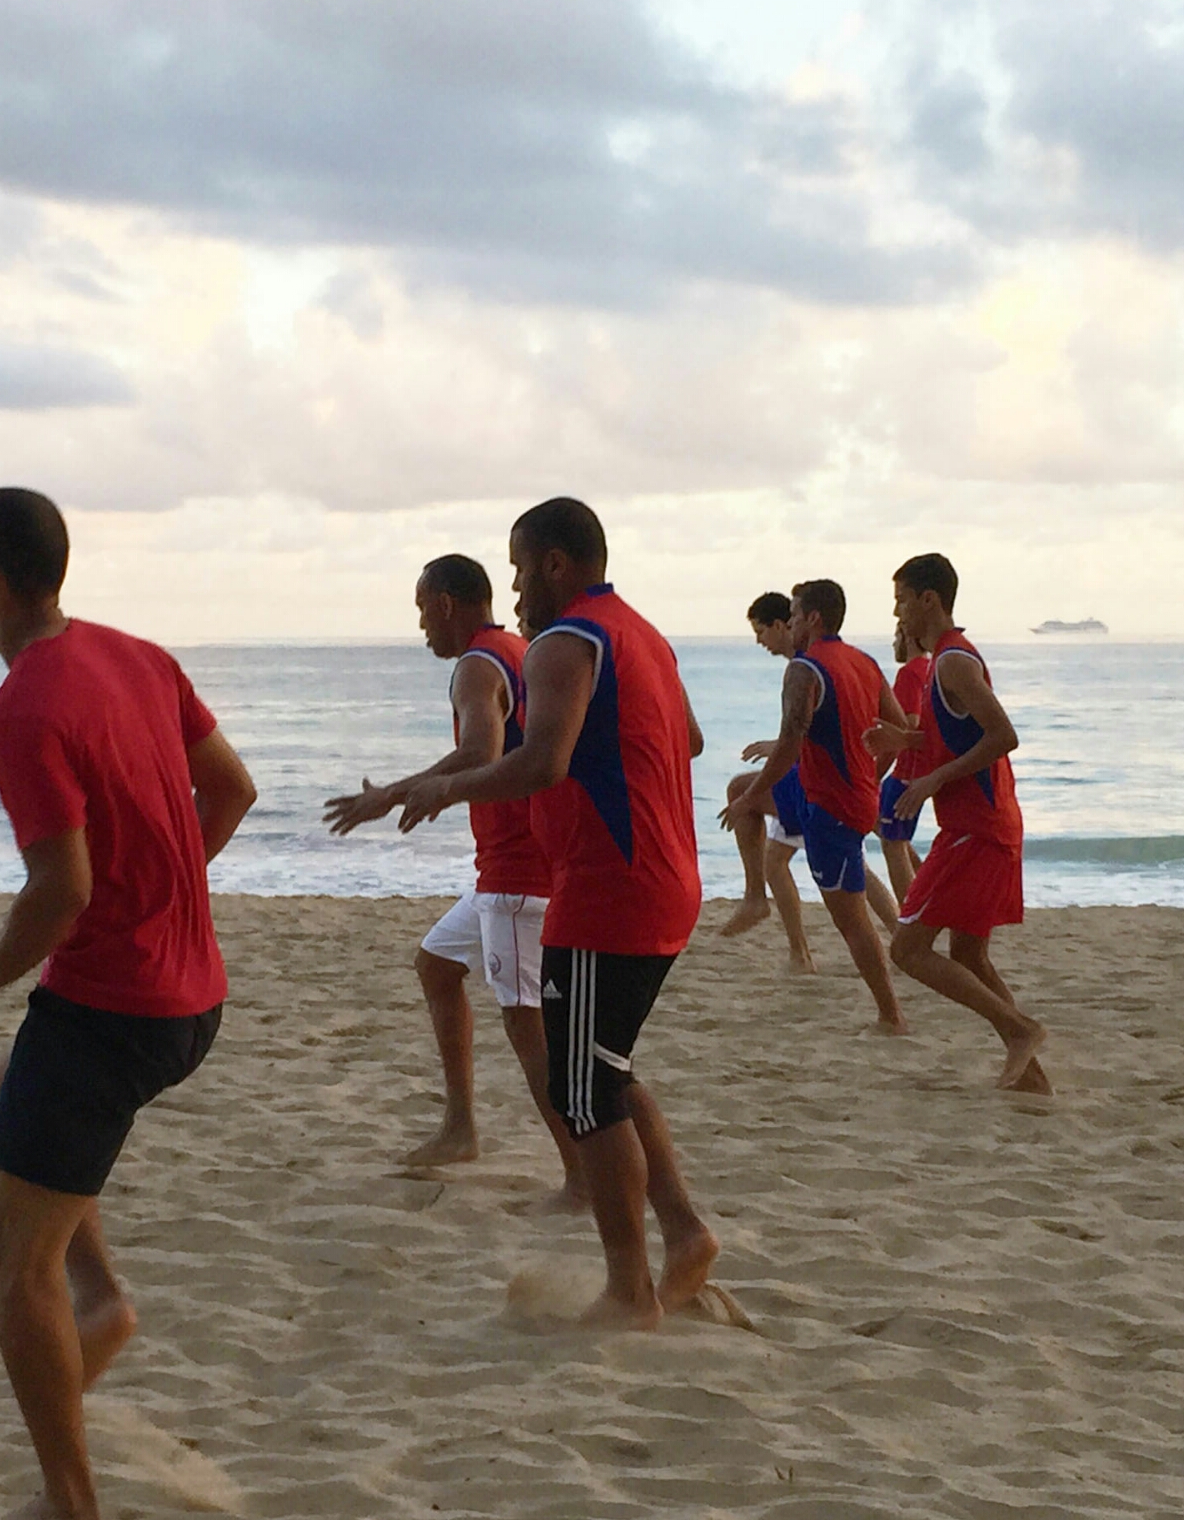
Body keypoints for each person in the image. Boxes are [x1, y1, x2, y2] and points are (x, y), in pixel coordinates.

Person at [0, 487, 257, 1520]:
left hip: (114, 1008)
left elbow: (62, 889)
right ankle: (106, 1300)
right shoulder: (138, 655)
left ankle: (67, 1498)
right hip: (190, 995)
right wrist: (168, 894)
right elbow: (233, 792)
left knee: (14, 1263)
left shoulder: (22, 705)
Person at [398, 498, 720, 1330]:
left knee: (582, 1094)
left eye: (517, 566)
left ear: (554, 563)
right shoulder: (640, 632)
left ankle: (627, 1290)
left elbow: (540, 762)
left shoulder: (564, 639)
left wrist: (445, 786)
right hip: (665, 877)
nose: (513, 587)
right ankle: (685, 1233)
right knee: (604, 1068)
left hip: (607, 889)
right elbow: (685, 741)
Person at [322, 554, 582, 1195]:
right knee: (437, 966)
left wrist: (396, 793)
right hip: (509, 867)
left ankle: (581, 1174)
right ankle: (461, 1128)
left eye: (421, 610)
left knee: (528, 1028)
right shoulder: (517, 649)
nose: (420, 627)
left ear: (444, 603)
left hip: (517, 875)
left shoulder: (476, 662)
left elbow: (480, 751)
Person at [873, 552, 1051, 1092]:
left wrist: (930, 781)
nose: (898, 612)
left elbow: (1004, 735)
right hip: (986, 823)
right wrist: (905, 741)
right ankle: (1032, 1076)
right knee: (969, 954)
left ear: (929, 599)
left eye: (902, 599)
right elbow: (961, 735)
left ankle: (1020, 1029)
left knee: (907, 950)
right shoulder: (940, 664)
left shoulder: (952, 661)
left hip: (977, 827)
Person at [723, 580, 908, 1034]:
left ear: (814, 619)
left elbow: (788, 744)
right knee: (745, 800)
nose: (791, 620)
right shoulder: (863, 660)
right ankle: (756, 901)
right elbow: (899, 729)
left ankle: (891, 1016)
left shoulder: (805, 670)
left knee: (851, 919)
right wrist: (871, 774)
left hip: (831, 805)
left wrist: (753, 795)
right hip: (830, 793)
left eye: (796, 612)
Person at [720, 593, 817, 971]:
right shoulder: (806, 663)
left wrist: (777, 749)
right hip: (820, 776)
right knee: (777, 860)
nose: (760, 641)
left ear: (782, 625)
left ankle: (755, 899)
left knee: (741, 792)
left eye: (762, 631)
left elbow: (811, 734)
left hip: (819, 781)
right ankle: (797, 952)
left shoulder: (804, 667)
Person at [875, 622, 931, 906]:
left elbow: (908, 725)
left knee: (892, 844)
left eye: (896, 636)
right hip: (917, 771)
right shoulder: (929, 669)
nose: (894, 643)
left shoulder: (909, 673)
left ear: (908, 637)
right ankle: (932, 896)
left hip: (906, 772)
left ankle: (911, 912)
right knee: (883, 827)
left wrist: (873, 774)